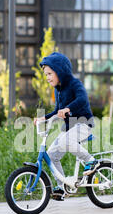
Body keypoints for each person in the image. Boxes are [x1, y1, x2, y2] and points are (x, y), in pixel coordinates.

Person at [34, 52, 100, 200]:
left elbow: (82, 99)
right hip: (70, 128)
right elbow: (58, 110)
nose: (48, 77)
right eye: (46, 75)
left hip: (84, 124)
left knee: (65, 141)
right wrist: (43, 118)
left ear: (60, 71)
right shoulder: (57, 90)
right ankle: (62, 186)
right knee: (51, 155)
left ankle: (91, 161)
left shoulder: (74, 83)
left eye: (50, 73)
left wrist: (68, 109)